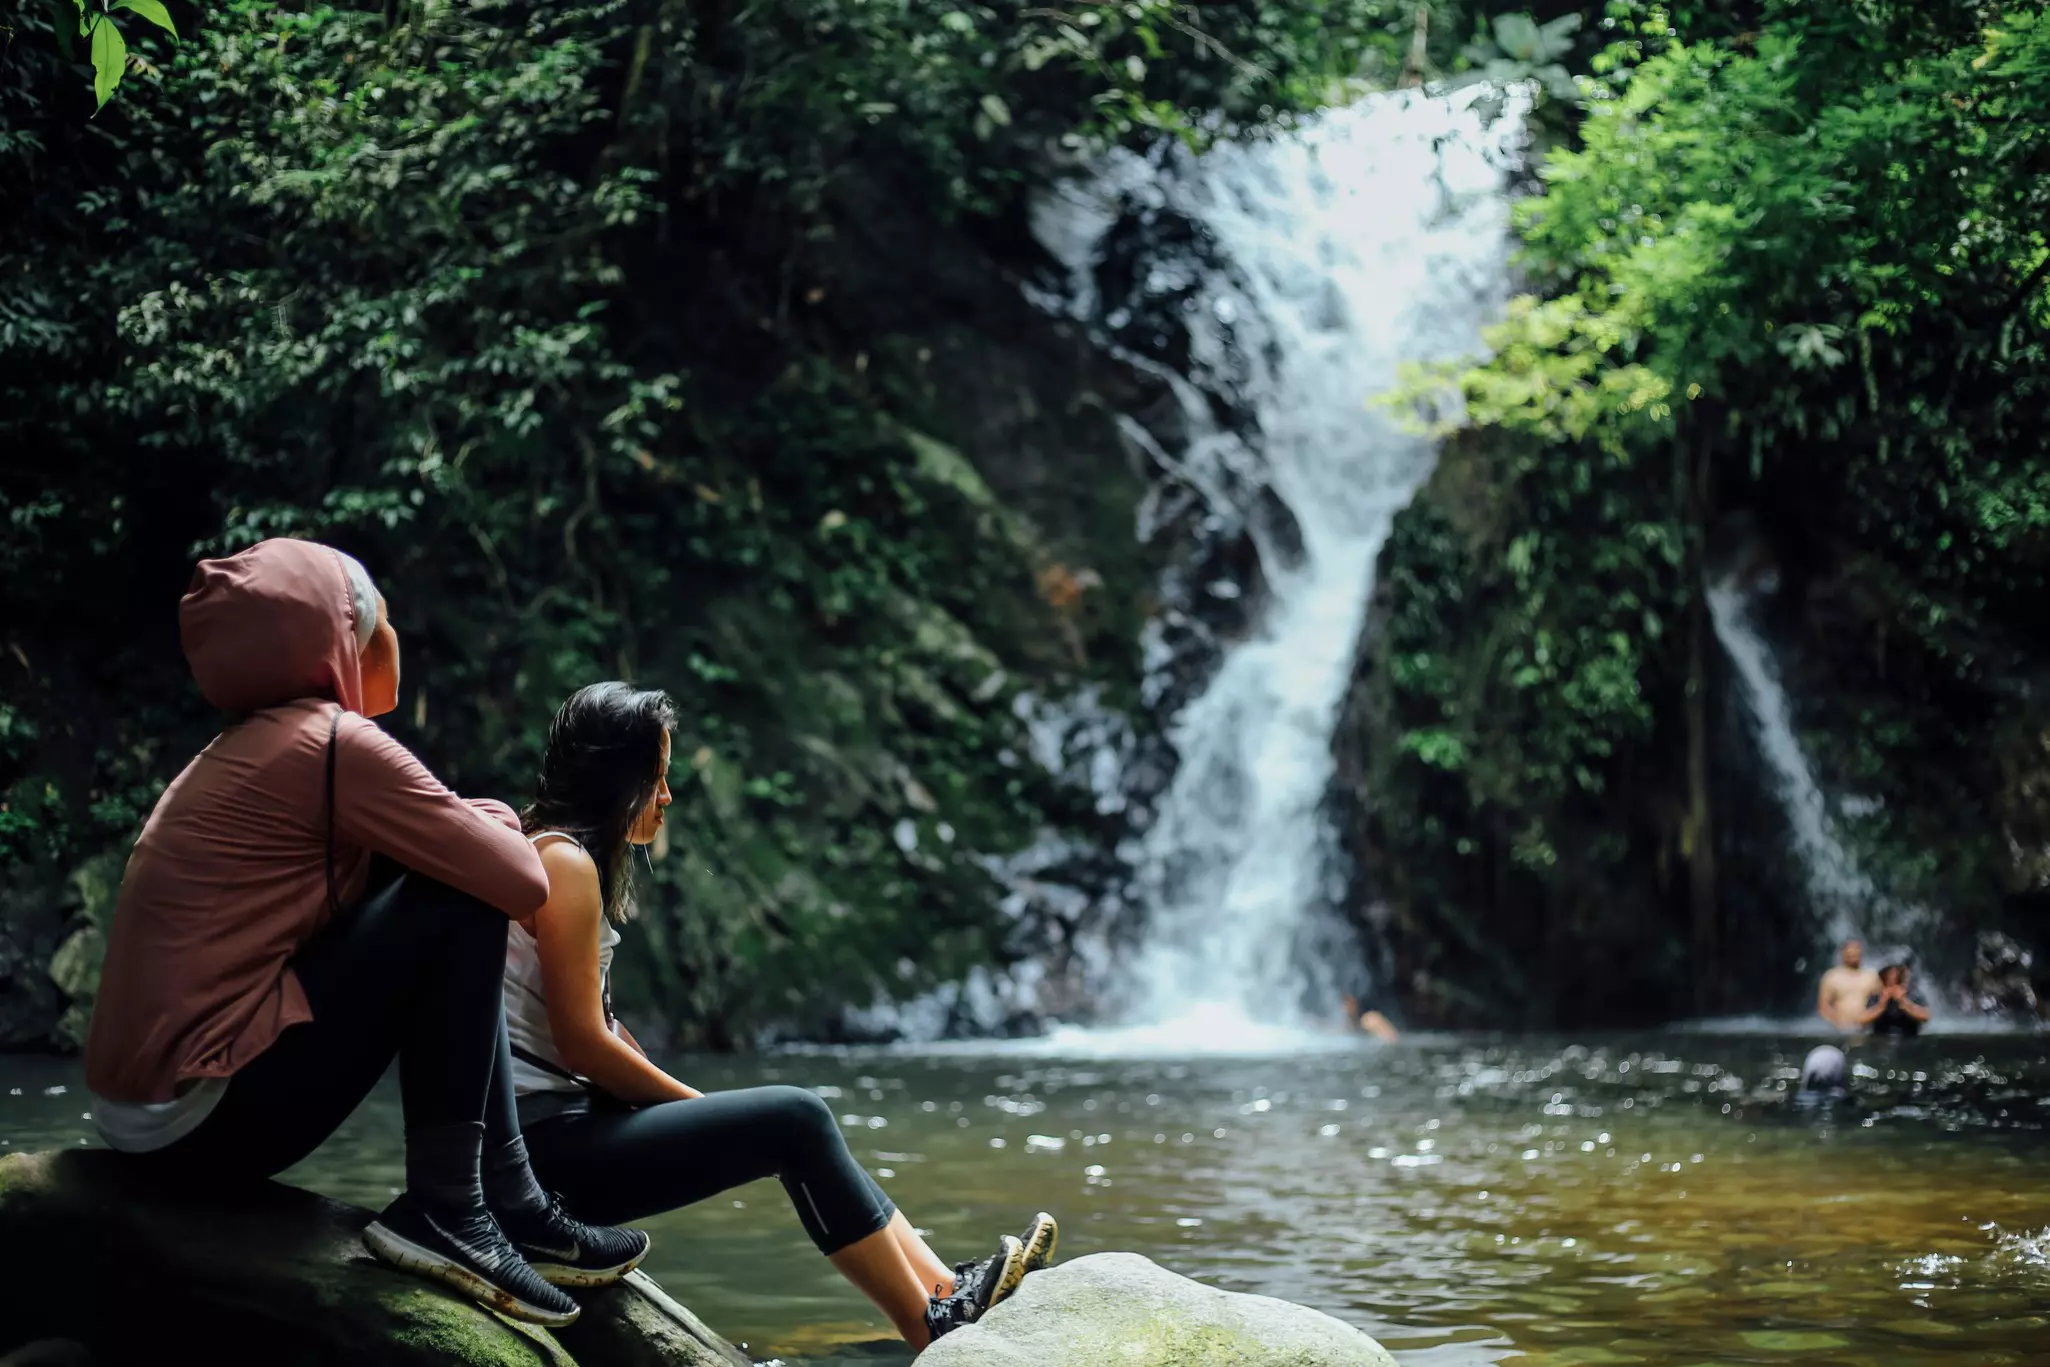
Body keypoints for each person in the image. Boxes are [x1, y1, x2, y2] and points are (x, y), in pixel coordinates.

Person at [83, 539, 643, 1327]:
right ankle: (454, 1206)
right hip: (198, 1120)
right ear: (340, 639)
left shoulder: (258, 744)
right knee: (462, 892)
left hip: (146, 1115)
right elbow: (521, 880)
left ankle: (506, 1195)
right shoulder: (333, 746)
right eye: (376, 616)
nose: (392, 636)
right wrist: (490, 819)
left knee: (444, 875)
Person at [506, 683, 1057, 1348]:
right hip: (543, 1158)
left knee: (792, 1120)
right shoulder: (563, 862)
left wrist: (697, 1113)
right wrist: (697, 1104)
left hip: (560, 1136)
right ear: (618, 776)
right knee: (793, 1117)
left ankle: (945, 1288)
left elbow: (592, 1028)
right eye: (659, 776)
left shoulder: (558, 851)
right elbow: (583, 1044)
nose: (668, 794)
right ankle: (931, 1324)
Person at [1816, 938, 1880, 1032]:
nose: (1853, 953)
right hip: (1840, 1030)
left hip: (1865, 1028)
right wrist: (1838, 1023)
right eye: (1850, 950)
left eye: (1856, 950)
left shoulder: (1872, 976)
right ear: (1843, 953)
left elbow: (1881, 1002)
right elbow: (1823, 1008)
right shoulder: (1831, 976)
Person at [1858, 962, 1932, 1037]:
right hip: (1881, 1039)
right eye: (1889, 983)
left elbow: (1925, 1016)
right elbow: (1862, 1019)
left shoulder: (1913, 994)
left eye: (1897, 983)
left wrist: (1904, 1002)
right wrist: (1881, 1005)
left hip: (1908, 1037)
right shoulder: (1876, 996)